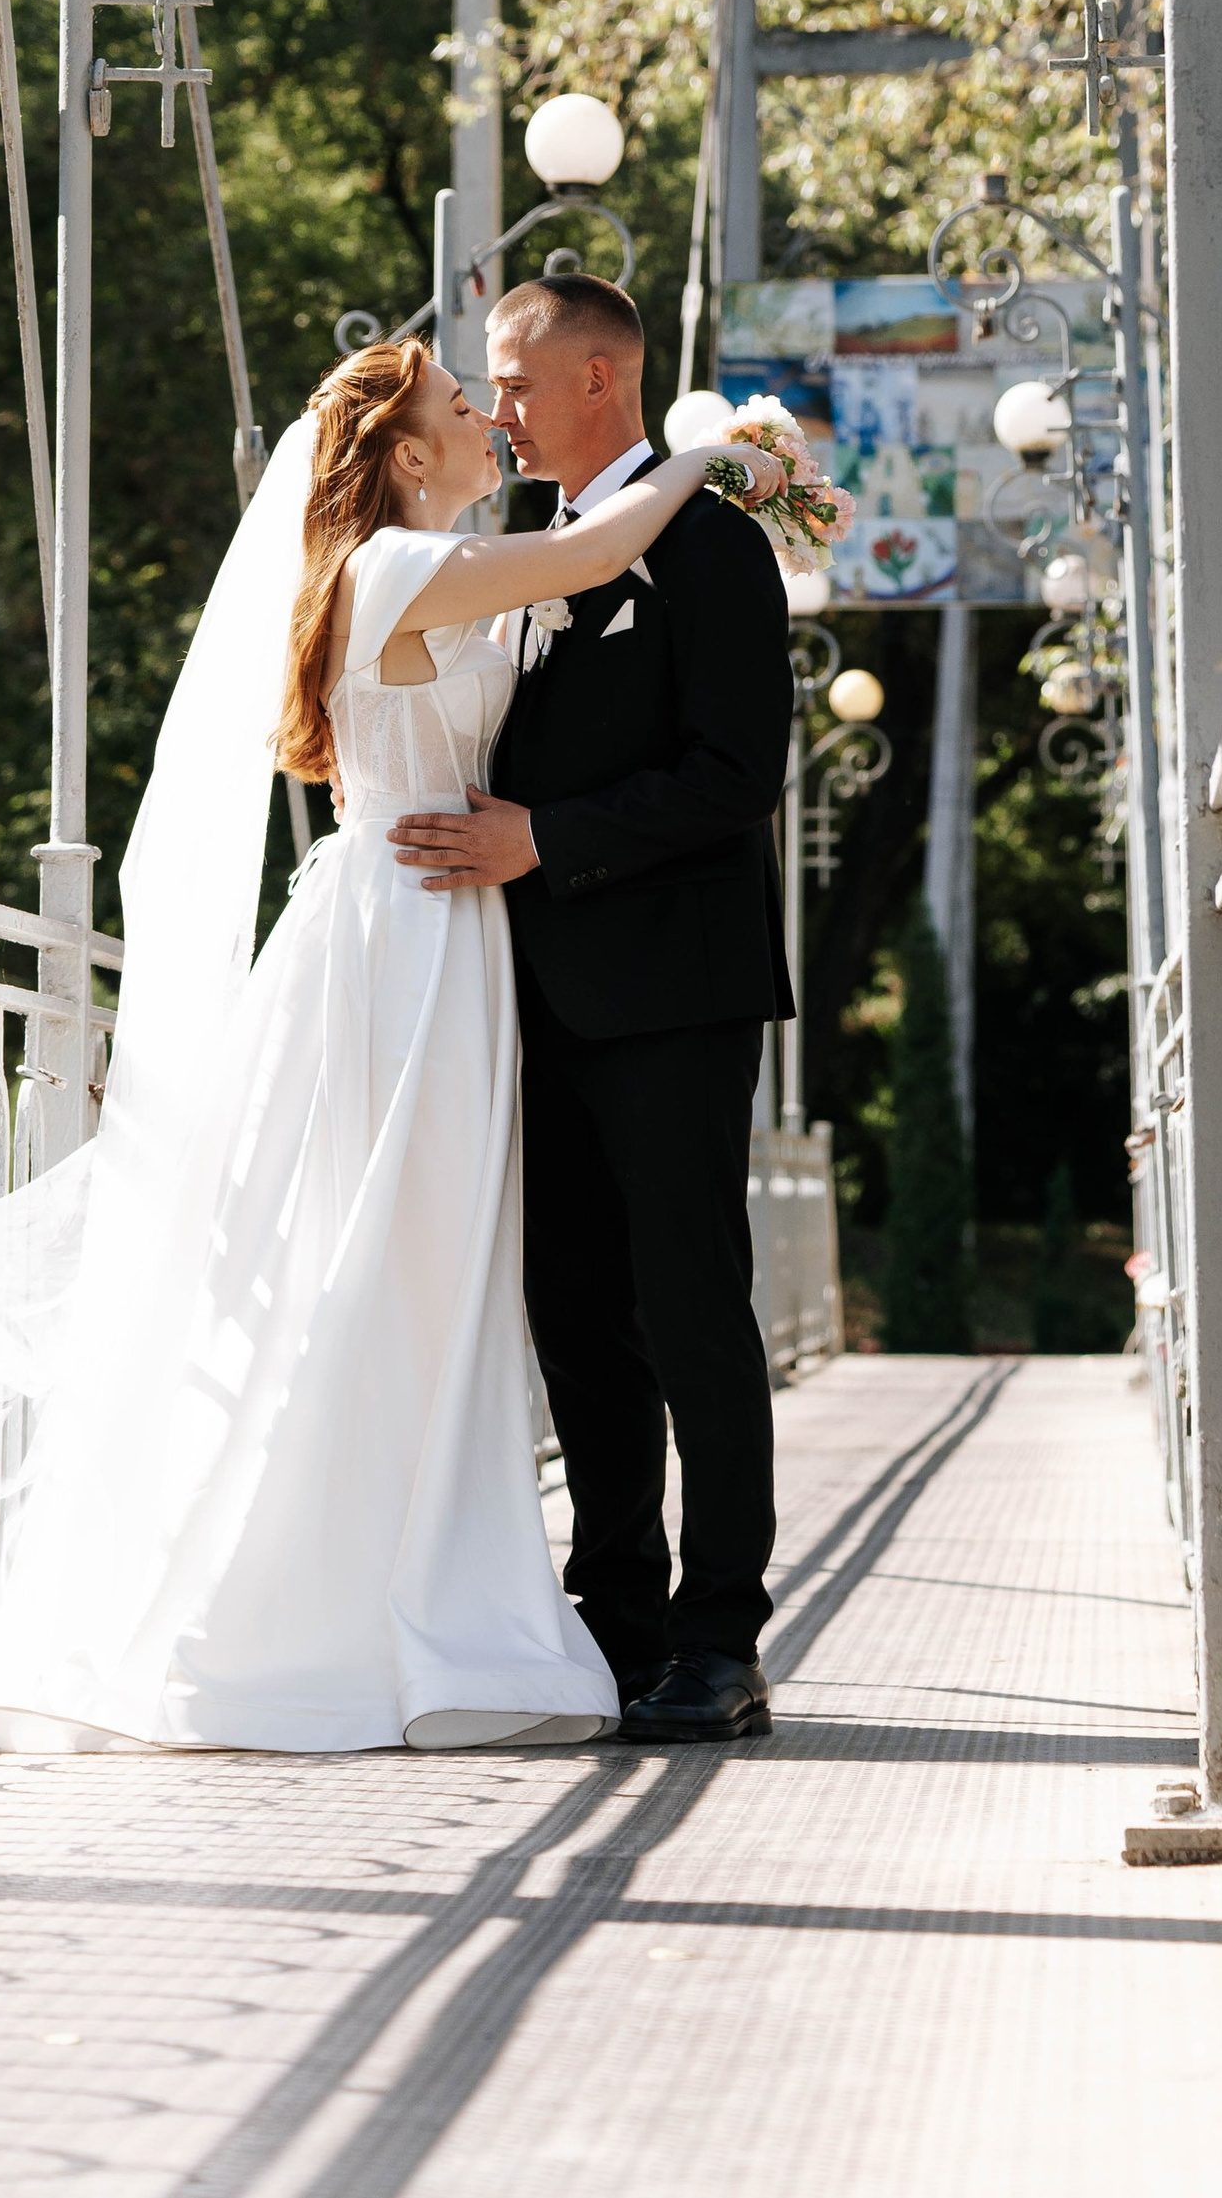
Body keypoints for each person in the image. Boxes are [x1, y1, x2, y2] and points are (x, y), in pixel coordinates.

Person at [0, 337, 776, 1756]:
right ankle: (375, 1603)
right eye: (462, 403)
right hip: (414, 942)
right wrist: (722, 453)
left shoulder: (432, 560)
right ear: (400, 453)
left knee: (422, 1274)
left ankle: (490, 1591)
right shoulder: (395, 566)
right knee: (391, 1265)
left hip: (456, 941)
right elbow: (591, 556)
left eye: (499, 388)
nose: (488, 417)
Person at [391, 272, 795, 1746]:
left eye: (514, 375)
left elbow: (737, 775)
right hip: (534, 1002)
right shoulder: (539, 557)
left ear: (603, 378)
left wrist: (546, 841)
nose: (497, 404)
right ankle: (614, 1623)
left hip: (675, 992)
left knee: (691, 1308)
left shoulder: (708, 546)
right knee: (578, 1322)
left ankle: (720, 1636)